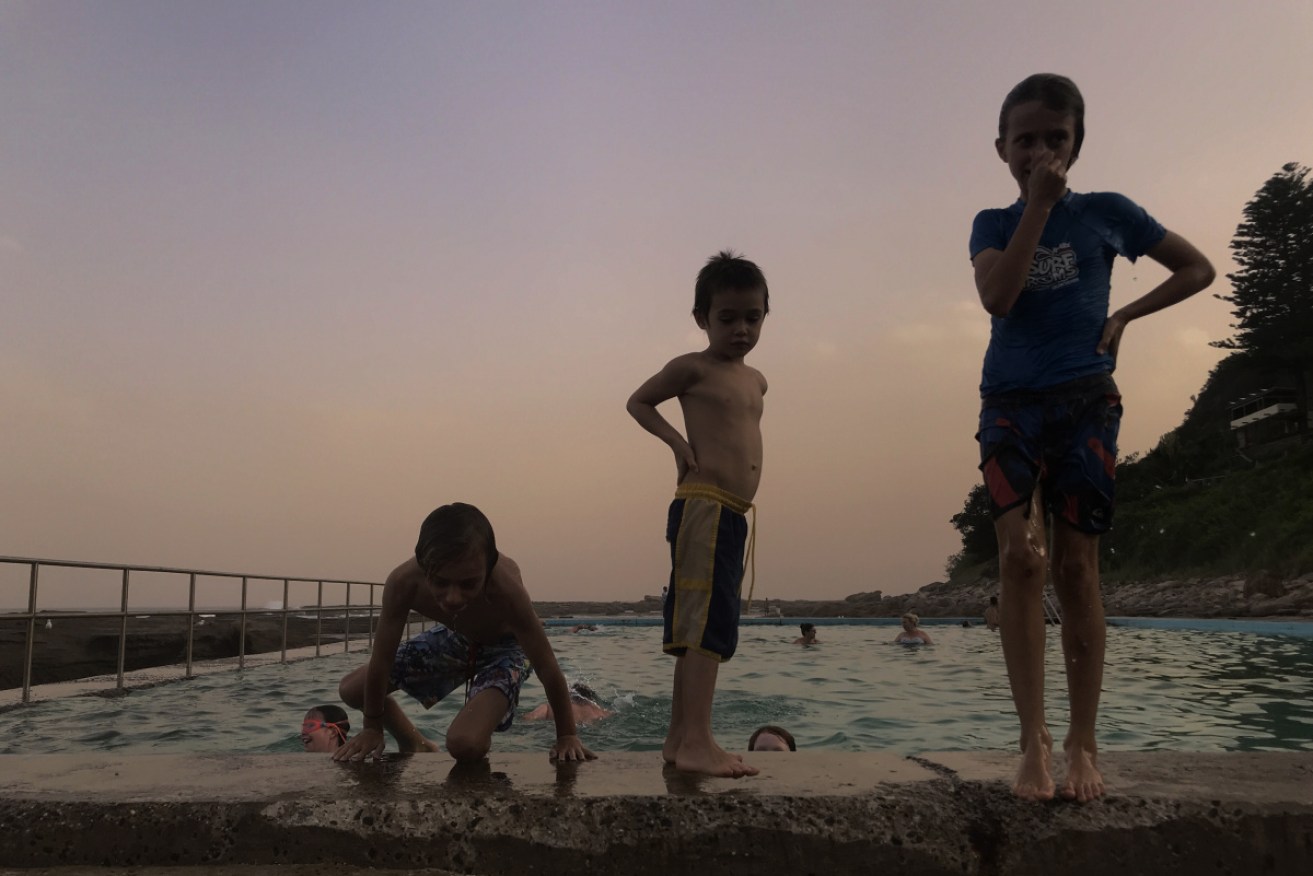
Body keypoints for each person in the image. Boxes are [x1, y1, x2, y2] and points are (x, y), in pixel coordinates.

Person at [970, 74, 1214, 803]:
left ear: (1076, 144)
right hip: (1009, 400)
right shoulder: (989, 222)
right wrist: (1035, 211)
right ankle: (1031, 743)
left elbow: (1196, 267)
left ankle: (1081, 740)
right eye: (1025, 140)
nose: (1039, 151)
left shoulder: (1108, 213)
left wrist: (1126, 315)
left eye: (1056, 138)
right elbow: (998, 297)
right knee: (1019, 561)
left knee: (1076, 569)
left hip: (1085, 400)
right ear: (1001, 148)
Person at [626, 250, 769, 778]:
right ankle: (698, 740)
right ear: (702, 318)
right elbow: (639, 401)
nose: (741, 329)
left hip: (733, 512)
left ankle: (679, 736)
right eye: (727, 318)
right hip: (704, 508)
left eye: (752, 317)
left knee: (704, 623)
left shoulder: (757, 381)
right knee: (703, 628)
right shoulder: (693, 367)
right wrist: (676, 444)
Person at [334, 503, 596, 764]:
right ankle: (414, 741)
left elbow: (547, 666)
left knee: (465, 744)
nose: (453, 597)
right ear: (425, 567)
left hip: (507, 649)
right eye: (440, 582)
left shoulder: (507, 590)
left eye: (468, 584)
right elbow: (382, 659)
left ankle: (480, 723)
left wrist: (567, 735)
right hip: (456, 639)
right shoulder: (403, 584)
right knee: (353, 689)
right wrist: (372, 728)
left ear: (488, 568)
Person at [524, 681, 613, 724]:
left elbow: (529, 718)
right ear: (591, 698)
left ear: (570, 695)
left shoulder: (550, 707)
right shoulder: (600, 712)